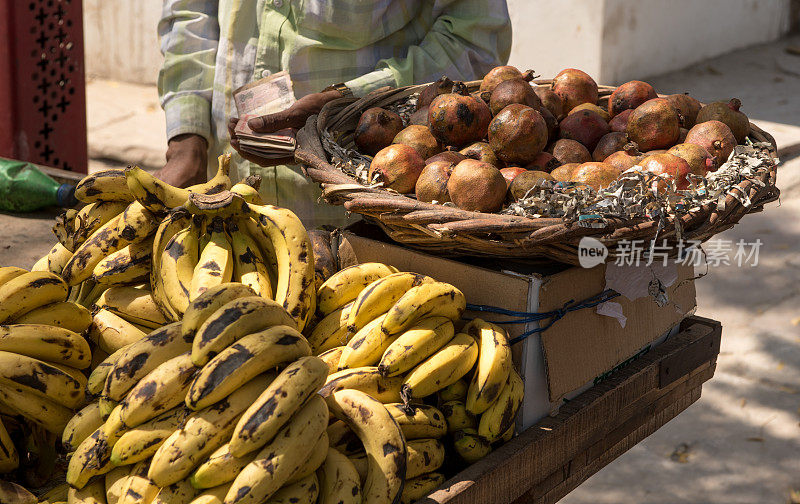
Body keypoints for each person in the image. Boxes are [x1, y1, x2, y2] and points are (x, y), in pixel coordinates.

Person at [155, 0, 512, 228]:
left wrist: (344, 105)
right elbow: (190, 13)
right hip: (226, 193)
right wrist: (188, 136)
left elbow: (475, 42)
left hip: (365, 217)